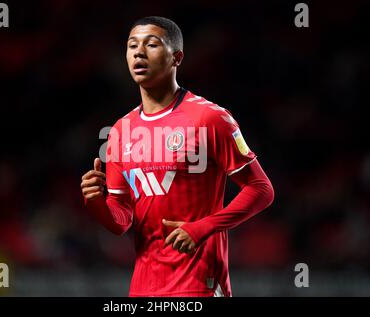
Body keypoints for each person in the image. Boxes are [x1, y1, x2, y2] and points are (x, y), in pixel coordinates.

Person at [81, 16, 274, 297]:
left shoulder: (210, 118)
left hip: (199, 284)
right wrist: (95, 202)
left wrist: (202, 228)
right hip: (143, 288)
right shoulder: (120, 131)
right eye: (132, 45)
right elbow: (121, 220)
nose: (139, 52)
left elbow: (261, 189)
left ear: (177, 57)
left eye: (152, 44)